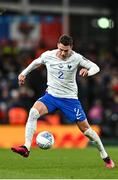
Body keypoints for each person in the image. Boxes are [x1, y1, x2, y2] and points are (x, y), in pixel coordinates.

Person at [11, 34, 115, 168]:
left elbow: (96, 67)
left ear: (71, 47)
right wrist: (23, 73)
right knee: (33, 112)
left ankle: (105, 157)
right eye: (61, 49)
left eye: (66, 50)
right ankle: (26, 148)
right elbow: (36, 62)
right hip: (51, 96)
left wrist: (87, 72)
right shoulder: (48, 55)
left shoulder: (76, 58)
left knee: (87, 131)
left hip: (70, 99)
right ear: (57, 46)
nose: (63, 53)